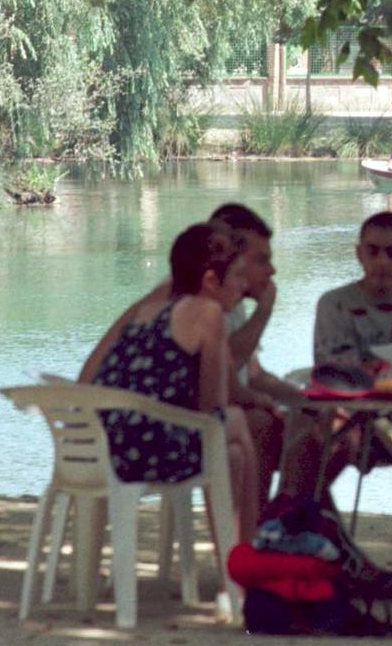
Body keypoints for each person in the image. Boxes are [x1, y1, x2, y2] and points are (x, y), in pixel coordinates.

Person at [79, 204, 297, 510]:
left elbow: (249, 376)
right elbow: (219, 390)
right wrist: (264, 311)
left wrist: (305, 399)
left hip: (103, 437)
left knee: (280, 429)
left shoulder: (219, 300)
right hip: (132, 442)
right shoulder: (187, 302)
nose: (271, 270)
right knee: (253, 425)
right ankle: (255, 540)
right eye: (261, 259)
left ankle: (258, 535)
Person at [296, 210, 392, 594]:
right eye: (373, 251)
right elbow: (338, 374)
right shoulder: (334, 304)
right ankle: (322, 547)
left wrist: (386, 370)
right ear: (358, 254)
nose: (382, 262)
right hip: (357, 417)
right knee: (313, 444)